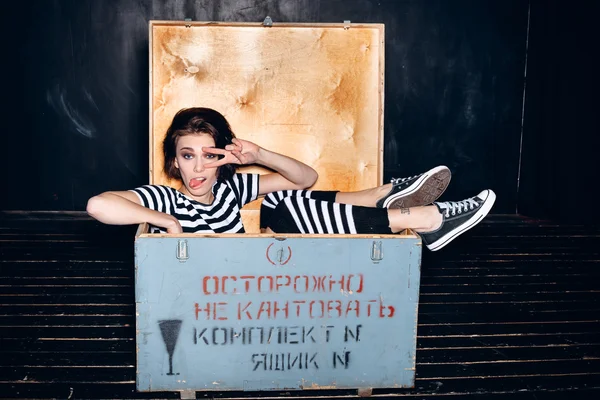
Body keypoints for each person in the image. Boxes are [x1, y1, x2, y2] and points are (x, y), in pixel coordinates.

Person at [86, 107, 496, 251]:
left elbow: (306, 178)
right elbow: (97, 204)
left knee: (287, 203)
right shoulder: (164, 199)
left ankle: (387, 197)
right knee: (288, 208)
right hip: (218, 298)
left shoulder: (233, 188)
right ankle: (417, 216)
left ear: (223, 157)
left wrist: (259, 154)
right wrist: (167, 222)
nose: (197, 168)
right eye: (187, 157)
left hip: (263, 284)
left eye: (209, 156)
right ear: (174, 163)